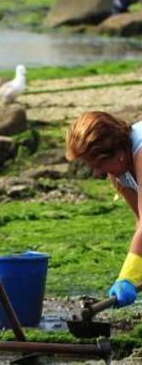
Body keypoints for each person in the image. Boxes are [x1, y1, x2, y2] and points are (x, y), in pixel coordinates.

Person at [65, 112, 142, 309]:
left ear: (117, 152)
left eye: (99, 165)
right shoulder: (117, 173)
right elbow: (140, 221)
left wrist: (127, 277)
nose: (98, 173)